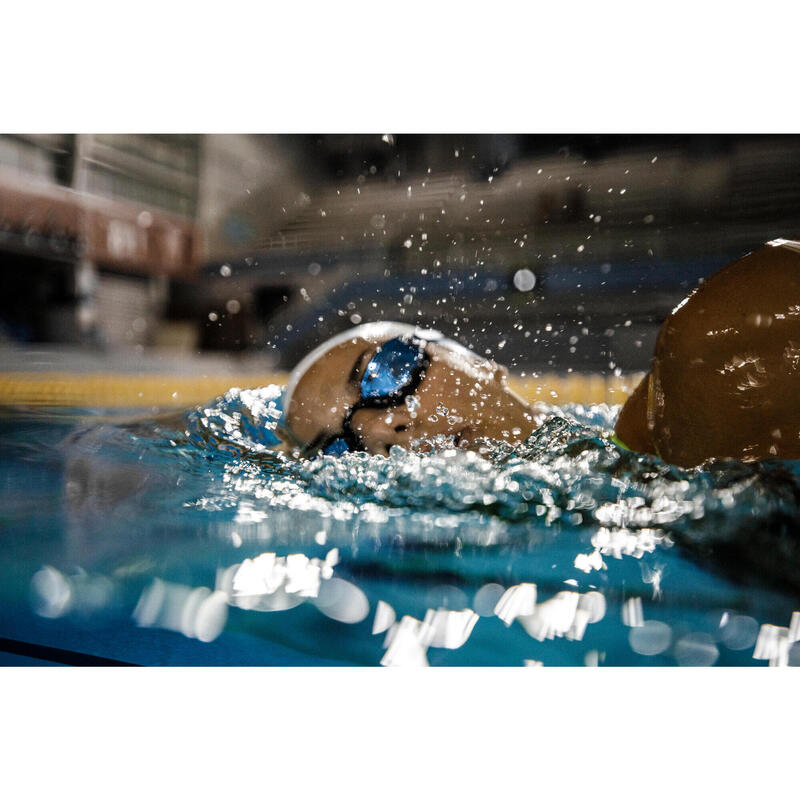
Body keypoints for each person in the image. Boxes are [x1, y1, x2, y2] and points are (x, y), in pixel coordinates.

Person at [281, 239, 800, 467]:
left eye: (382, 372)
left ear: (476, 362)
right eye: (342, 447)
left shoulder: (713, 355)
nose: (380, 430)